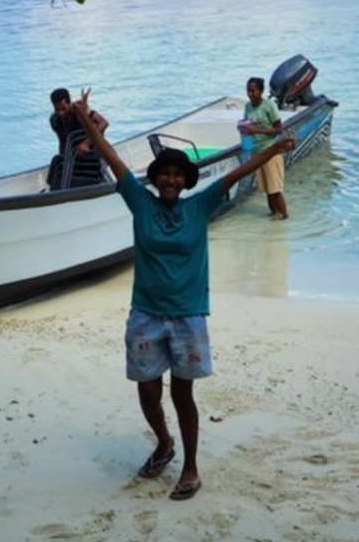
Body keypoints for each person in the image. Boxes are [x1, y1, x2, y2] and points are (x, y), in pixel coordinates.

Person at [71, 92, 294, 502]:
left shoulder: (199, 205)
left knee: (183, 394)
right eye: (164, 175)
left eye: (178, 175)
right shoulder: (140, 203)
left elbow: (237, 173)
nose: (171, 180)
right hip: (145, 315)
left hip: (188, 316)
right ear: (154, 180)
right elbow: (112, 160)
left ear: (185, 180)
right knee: (147, 390)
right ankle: (163, 443)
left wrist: (276, 148)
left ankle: (190, 465)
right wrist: (86, 120)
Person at [241, 75, 288, 220]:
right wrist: (243, 128)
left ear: (261, 91)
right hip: (257, 153)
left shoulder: (269, 105)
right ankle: (273, 216)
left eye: (253, 91)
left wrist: (258, 131)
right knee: (267, 189)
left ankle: (284, 217)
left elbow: (279, 129)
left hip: (271, 151)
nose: (250, 94)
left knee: (275, 189)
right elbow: (247, 124)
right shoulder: (248, 106)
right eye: (248, 91)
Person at [47, 87, 108, 190]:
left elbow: (103, 123)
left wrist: (86, 143)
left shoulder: (80, 110)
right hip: (74, 156)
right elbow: (62, 142)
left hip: (92, 155)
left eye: (63, 109)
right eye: (57, 110)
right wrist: (65, 159)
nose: (60, 113)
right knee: (57, 162)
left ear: (69, 103)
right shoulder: (55, 120)